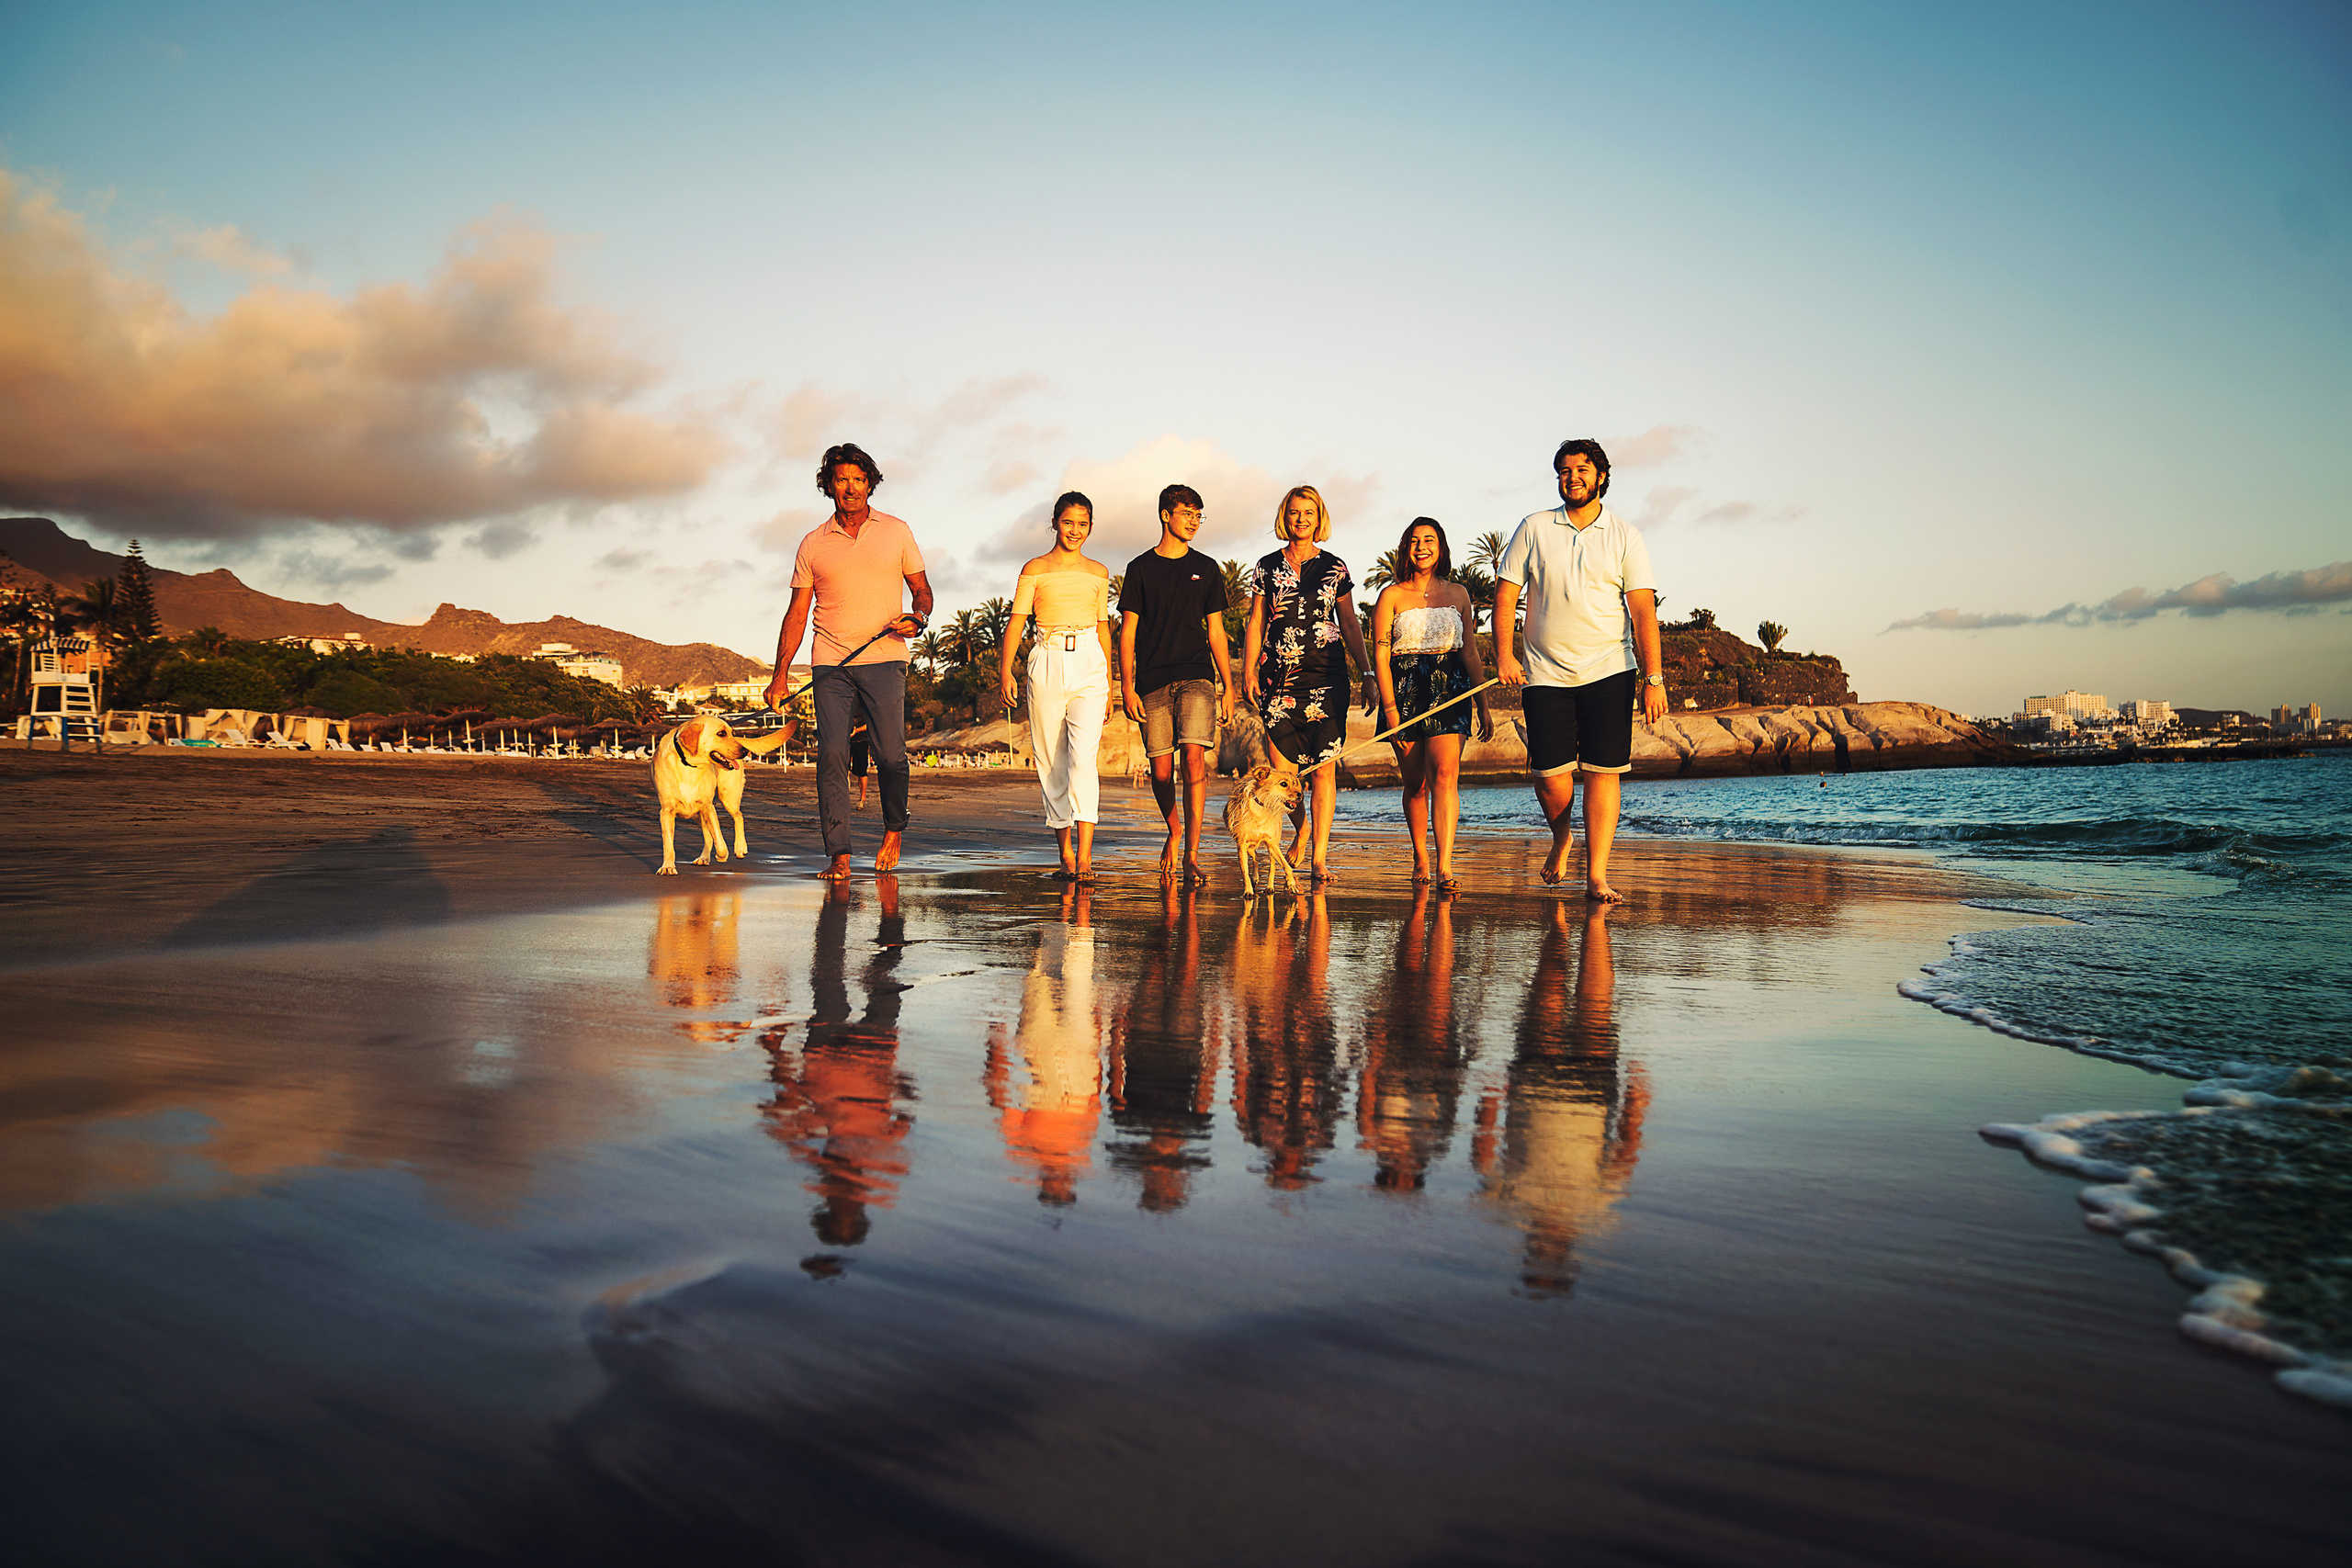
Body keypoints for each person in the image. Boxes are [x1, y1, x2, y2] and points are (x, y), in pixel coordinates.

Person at [1492, 439, 1668, 902]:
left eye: (1582, 470)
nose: (1573, 477)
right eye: (1565, 471)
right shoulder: (1534, 527)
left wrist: (1654, 679)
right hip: (1544, 672)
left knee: (1602, 771)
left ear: (1602, 477)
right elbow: (1506, 596)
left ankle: (1596, 874)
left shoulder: (1625, 535)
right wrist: (1505, 656)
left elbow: (1643, 611)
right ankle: (1563, 835)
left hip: (1610, 668)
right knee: (1549, 775)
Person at [762, 443, 934, 880]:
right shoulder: (813, 543)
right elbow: (797, 614)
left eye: (859, 479)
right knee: (833, 755)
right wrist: (780, 675)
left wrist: (920, 617)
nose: (851, 488)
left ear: (870, 484)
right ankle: (839, 853)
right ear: (829, 486)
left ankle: (894, 828)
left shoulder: (896, 531)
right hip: (830, 663)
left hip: (886, 657)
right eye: (842, 479)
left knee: (892, 756)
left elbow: (922, 590)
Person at [1242, 484, 1373, 883]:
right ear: (1286, 516)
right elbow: (1256, 621)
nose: (1301, 519)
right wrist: (1247, 671)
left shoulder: (1336, 567)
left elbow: (1350, 622)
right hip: (1277, 681)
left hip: (1328, 680)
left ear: (1319, 519)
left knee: (1322, 774)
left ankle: (1318, 857)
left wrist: (1366, 673)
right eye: (1295, 512)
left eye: (1309, 513)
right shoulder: (1265, 566)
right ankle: (1299, 829)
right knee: (1283, 774)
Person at [1370, 517, 1494, 889]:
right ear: (1406, 547)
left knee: (1445, 775)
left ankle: (1445, 865)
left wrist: (1484, 702)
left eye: (1430, 539)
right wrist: (1390, 710)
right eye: (1415, 540)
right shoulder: (1390, 596)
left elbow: (1470, 651)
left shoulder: (1459, 594)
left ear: (1441, 547)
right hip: (1405, 689)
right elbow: (1380, 655)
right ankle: (1420, 856)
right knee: (1415, 784)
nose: (1422, 546)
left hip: (1451, 687)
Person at [1119, 483, 1234, 883]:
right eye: (1188, 514)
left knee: (1195, 759)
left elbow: (1216, 632)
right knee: (1162, 770)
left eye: (1199, 515)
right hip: (1151, 680)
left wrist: (1228, 686)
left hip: (1197, 676)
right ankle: (1175, 827)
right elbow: (1127, 632)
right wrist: (1127, 685)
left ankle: (1192, 853)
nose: (1195, 522)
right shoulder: (1140, 569)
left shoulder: (1207, 567)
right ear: (1166, 515)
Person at [1000, 491, 1115, 880]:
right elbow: (1016, 622)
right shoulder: (1034, 568)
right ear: (1055, 523)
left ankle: (1085, 859)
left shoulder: (1099, 573)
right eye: (1068, 522)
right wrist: (1005, 670)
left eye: (1083, 524)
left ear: (1091, 527)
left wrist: (1111, 683)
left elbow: (1103, 628)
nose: (1075, 530)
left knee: (1084, 758)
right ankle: (1064, 851)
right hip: (1045, 657)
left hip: (1089, 662)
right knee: (1052, 760)